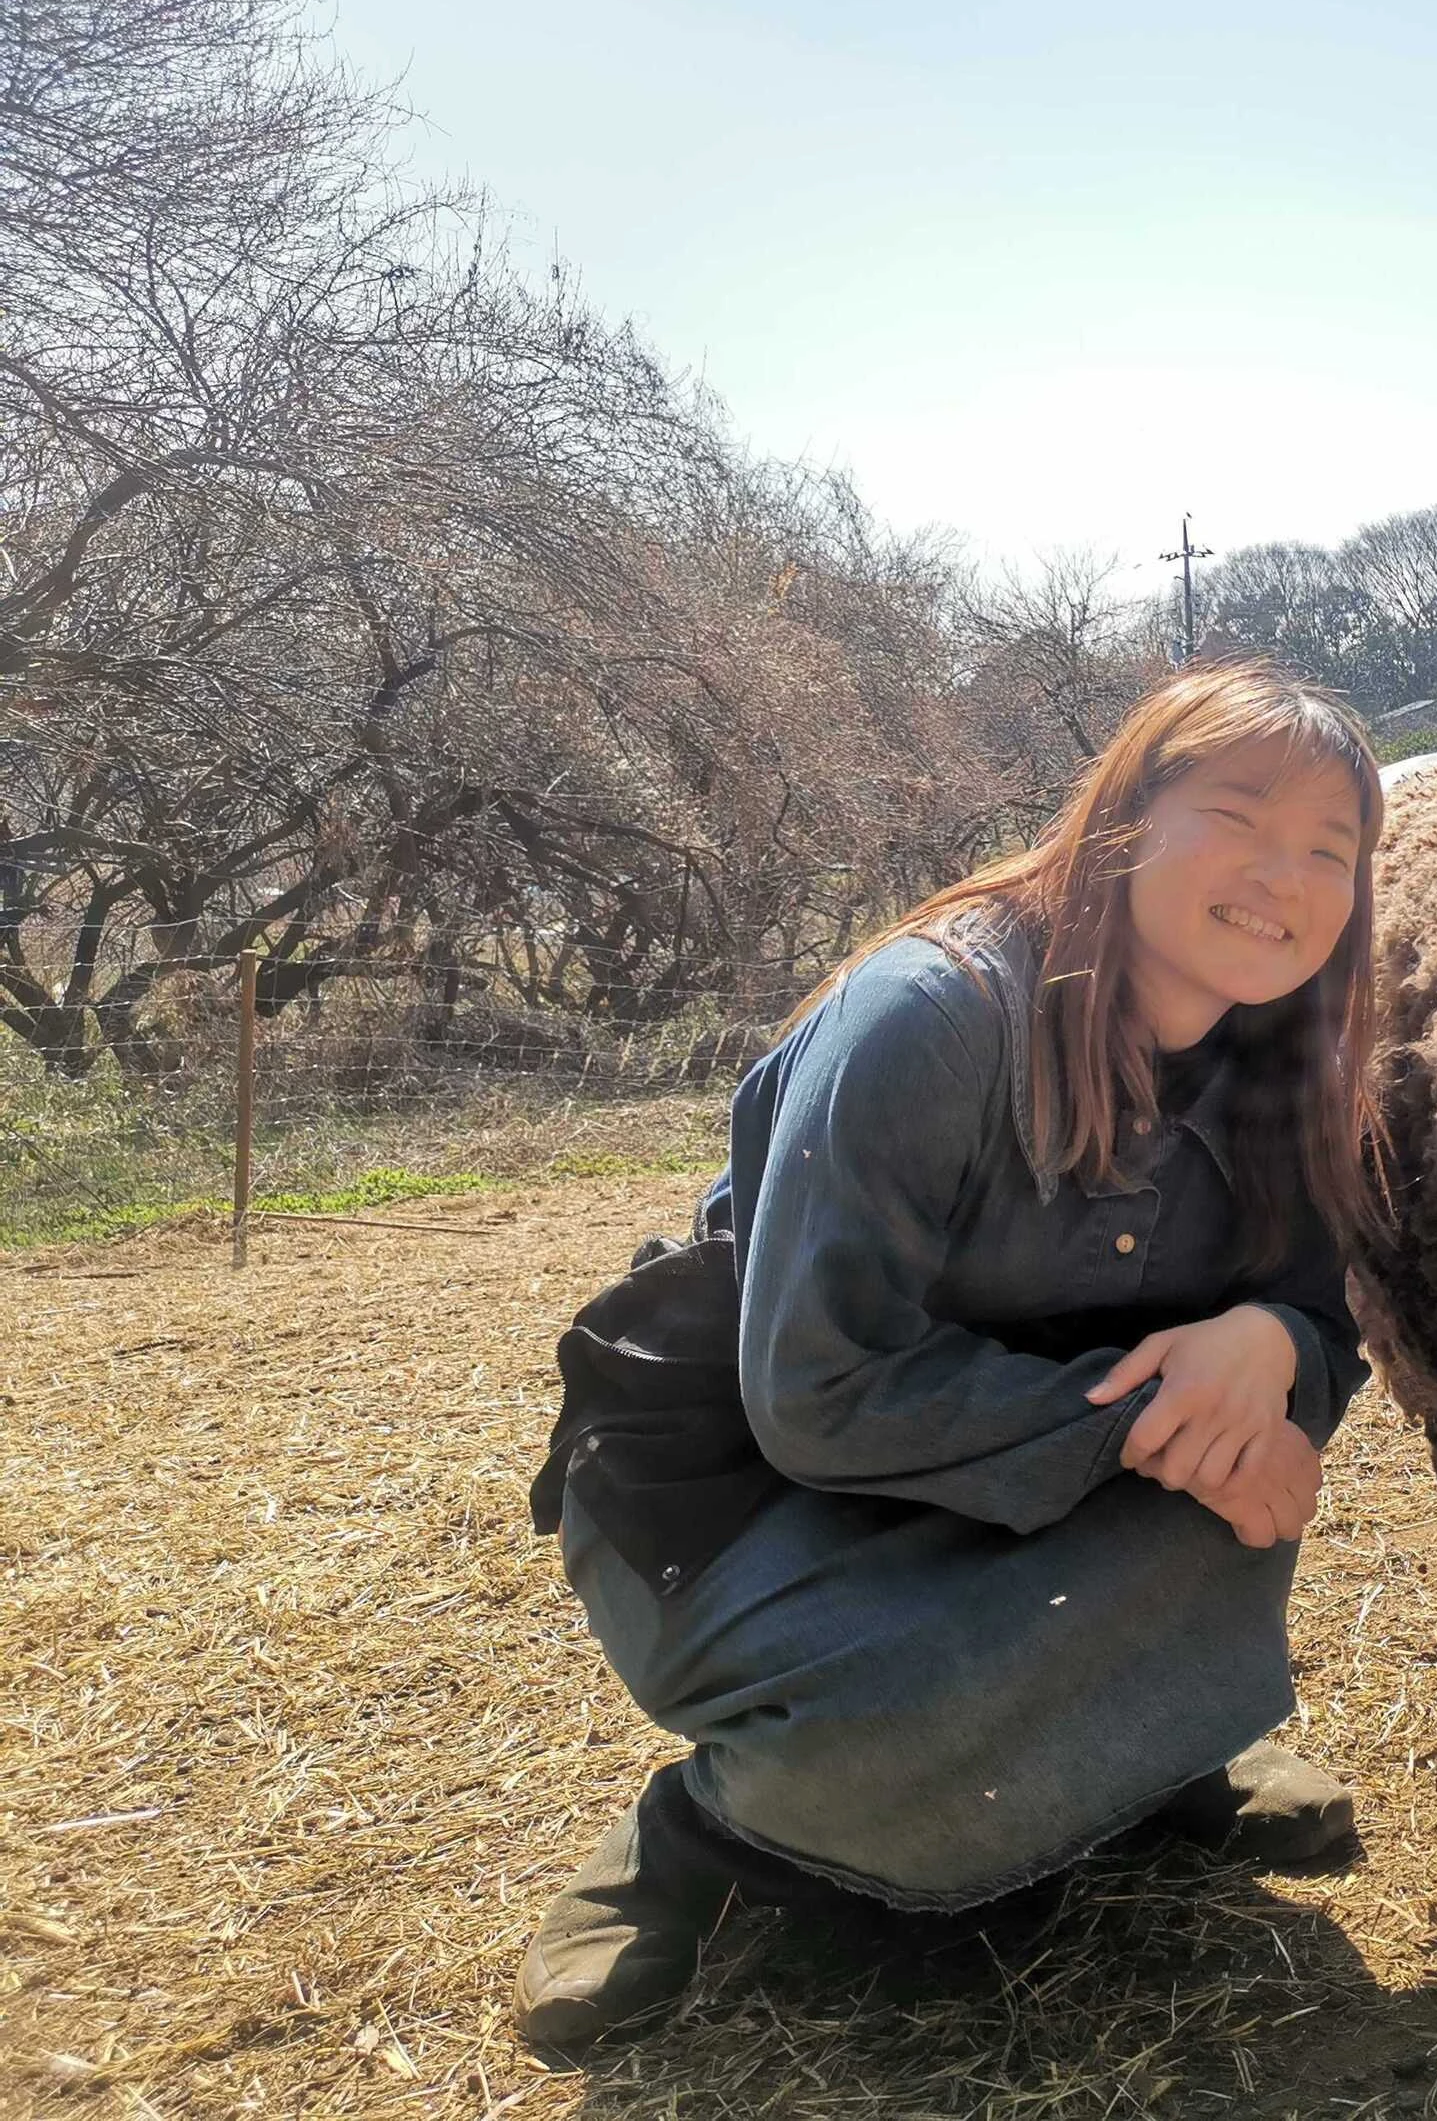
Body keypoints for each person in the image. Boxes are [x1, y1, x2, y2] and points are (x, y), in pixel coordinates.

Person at [514, 663, 1388, 2050]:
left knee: (1224, 1473)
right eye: (1238, 817)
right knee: (923, 1757)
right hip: (743, 1488)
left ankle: (1159, 1753)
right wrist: (1151, 1416)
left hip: (1005, 1474)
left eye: (1330, 850)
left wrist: (1271, 1345)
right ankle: (699, 1833)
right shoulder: (936, 1013)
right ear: (1123, 820)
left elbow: (1325, 1326)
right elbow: (816, 1390)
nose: (1285, 877)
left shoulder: (1296, 1062)